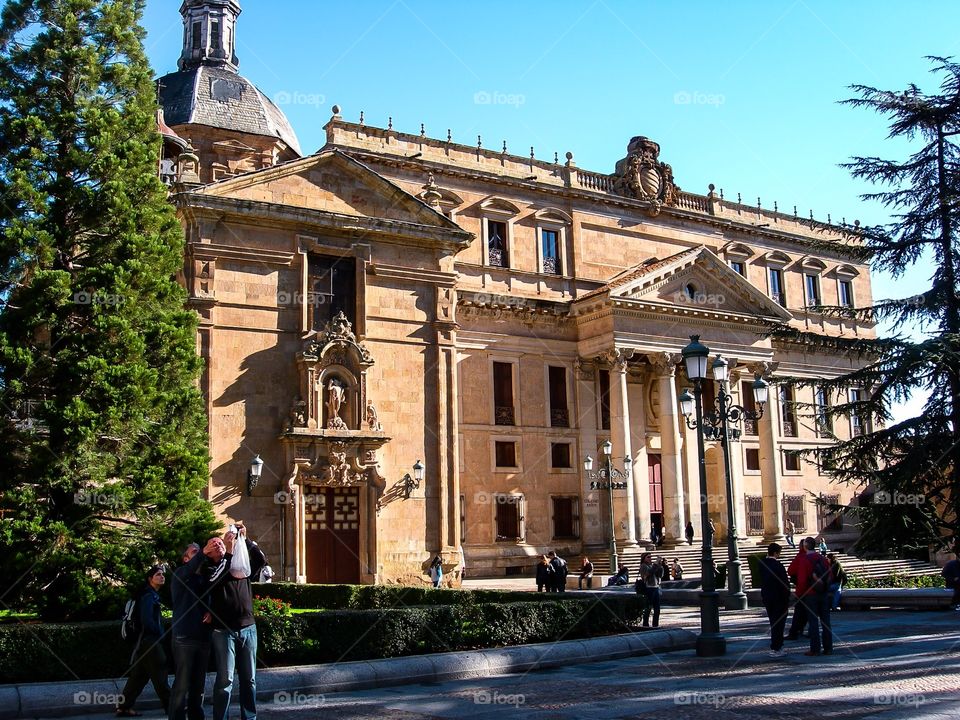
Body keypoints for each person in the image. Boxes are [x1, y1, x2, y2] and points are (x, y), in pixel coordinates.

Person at [204, 522, 266, 720]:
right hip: (224, 631)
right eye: (214, 544)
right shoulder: (210, 569)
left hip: (248, 628)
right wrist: (228, 552)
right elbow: (219, 575)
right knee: (225, 680)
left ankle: (249, 717)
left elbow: (260, 560)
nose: (219, 544)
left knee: (249, 679)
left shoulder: (241, 565)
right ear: (208, 552)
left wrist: (245, 539)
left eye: (220, 542)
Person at [116, 565, 171, 717]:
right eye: (158, 575)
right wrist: (159, 633)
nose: (162, 577)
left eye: (162, 575)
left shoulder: (146, 594)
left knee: (139, 676)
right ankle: (172, 706)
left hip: (142, 642)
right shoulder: (149, 596)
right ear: (150, 579)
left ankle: (124, 707)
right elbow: (147, 620)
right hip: (150, 641)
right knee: (160, 672)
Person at [169, 543, 211, 720]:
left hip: (203, 637)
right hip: (184, 638)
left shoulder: (204, 578)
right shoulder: (180, 574)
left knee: (198, 686)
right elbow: (191, 569)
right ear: (185, 559)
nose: (199, 554)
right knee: (182, 684)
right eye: (194, 552)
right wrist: (203, 553)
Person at [794, 537, 833, 656]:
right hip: (823, 594)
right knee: (826, 622)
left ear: (805, 546)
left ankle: (815, 649)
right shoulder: (823, 559)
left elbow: (801, 581)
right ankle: (828, 648)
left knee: (813, 622)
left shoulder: (805, 560)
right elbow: (830, 575)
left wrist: (799, 595)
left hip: (810, 595)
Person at [759, 543, 791, 657]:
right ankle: (777, 646)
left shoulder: (762, 564)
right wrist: (787, 596)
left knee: (773, 622)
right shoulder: (778, 566)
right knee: (779, 623)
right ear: (776, 553)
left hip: (767, 597)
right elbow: (785, 584)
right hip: (779, 599)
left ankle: (775, 646)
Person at [786, 539, 810, 641]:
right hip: (816, 591)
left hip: (802, 590)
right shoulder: (818, 557)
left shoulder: (800, 557)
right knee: (811, 612)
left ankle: (794, 632)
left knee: (799, 612)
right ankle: (811, 631)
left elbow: (790, 570)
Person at [639, 553, 663, 627]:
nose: (650, 558)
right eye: (648, 557)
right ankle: (645, 624)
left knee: (657, 608)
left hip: (656, 588)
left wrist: (660, 566)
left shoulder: (651, 566)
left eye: (650, 557)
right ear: (644, 558)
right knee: (648, 607)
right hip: (649, 588)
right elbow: (648, 573)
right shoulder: (643, 566)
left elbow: (660, 575)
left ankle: (655, 624)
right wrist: (655, 565)